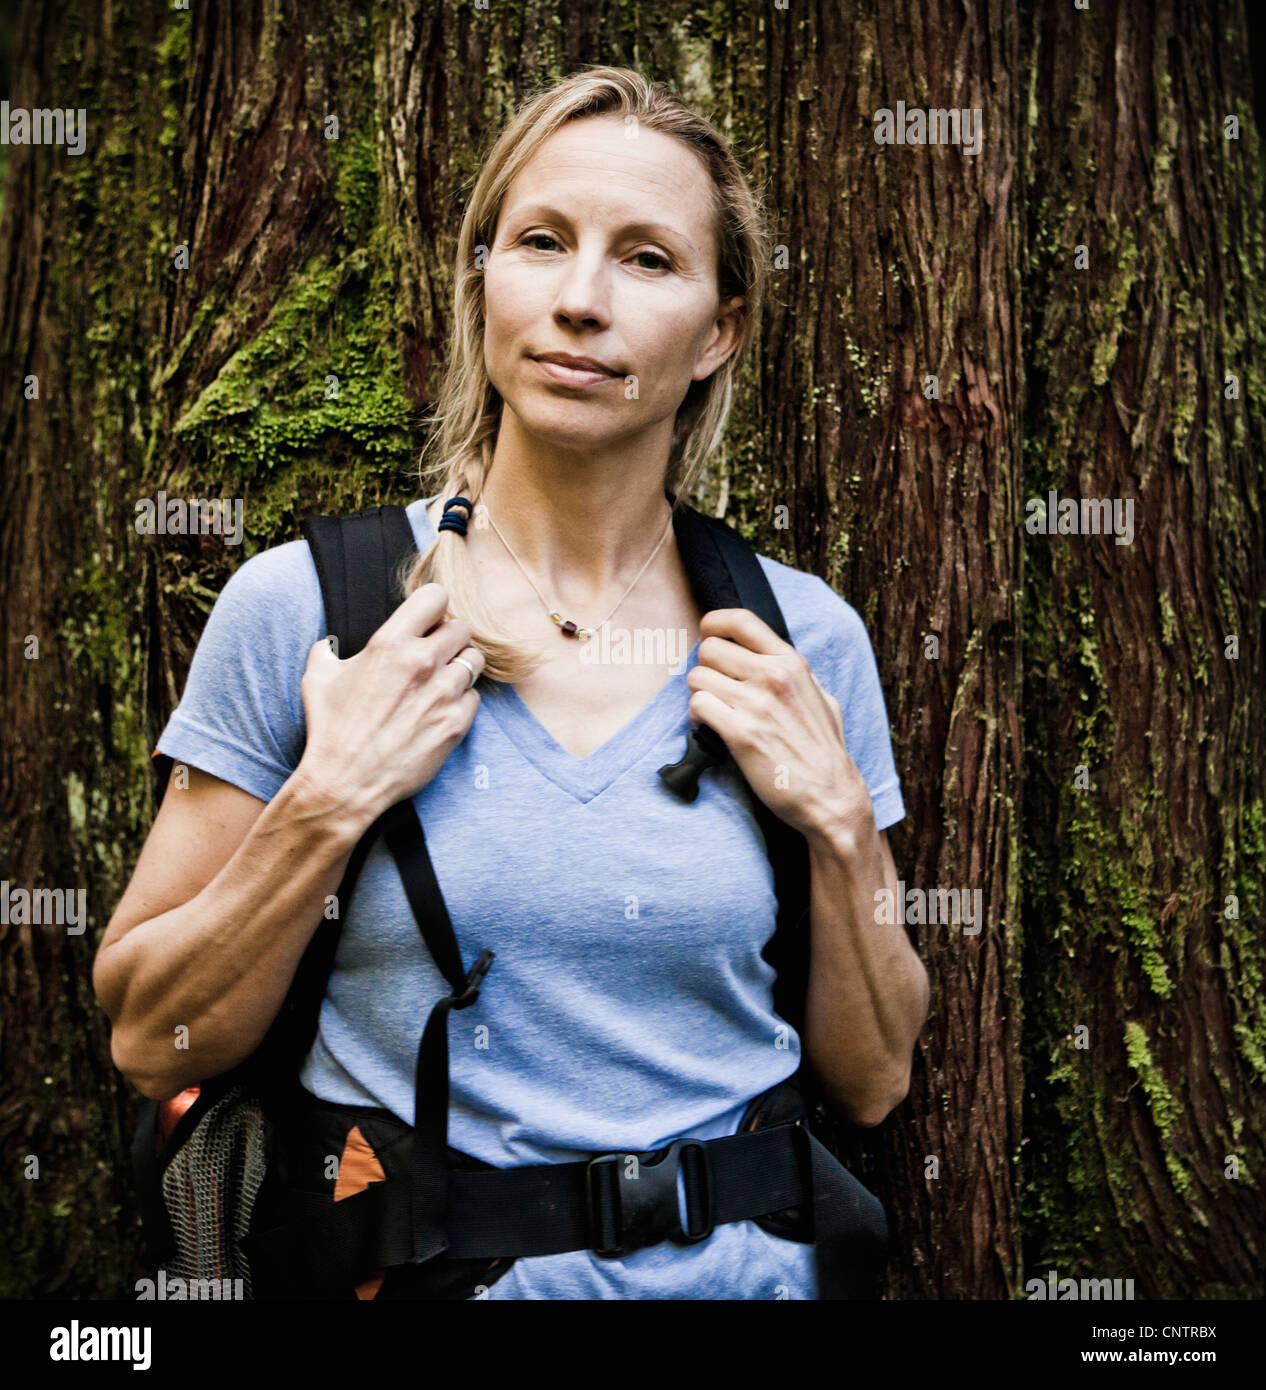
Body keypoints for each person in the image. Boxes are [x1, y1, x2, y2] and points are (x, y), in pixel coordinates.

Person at [93, 65, 929, 1299]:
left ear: (720, 330)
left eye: (647, 260)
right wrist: (329, 800)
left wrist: (844, 830)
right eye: (541, 242)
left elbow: (873, 1081)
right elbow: (146, 1035)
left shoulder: (796, 640)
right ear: (484, 278)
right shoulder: (313, 613)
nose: (581, 302)